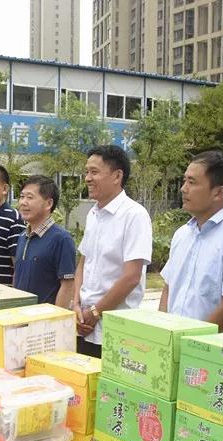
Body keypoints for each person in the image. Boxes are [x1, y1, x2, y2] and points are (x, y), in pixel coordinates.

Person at [159, 151, 223, 333]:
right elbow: (168, 288)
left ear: (218, 193)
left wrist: (190, 341)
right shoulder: (182, 234)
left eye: (192, 182)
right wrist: (161, 332)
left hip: (210, 346)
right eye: (184, 180)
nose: (183, 189)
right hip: (173, 342)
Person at [73, 145, 152, 358]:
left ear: (117, 176)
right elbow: (83, 263)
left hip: (115, 330)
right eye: (87, 172)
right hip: (83, 324)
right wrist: (76, 305)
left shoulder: (135, 215)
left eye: (94, 172)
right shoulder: (93, 214)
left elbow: (132, 276)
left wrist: (96, 312)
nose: (87, 178)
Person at [13, 176, 76, 307]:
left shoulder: (61, 239)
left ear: (48, 204)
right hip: (19, 314)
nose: (23, 202)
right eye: (22, 196)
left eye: (30, 197)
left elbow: (67, 285)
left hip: (45, 317)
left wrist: (58, 316)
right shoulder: (22, 236)